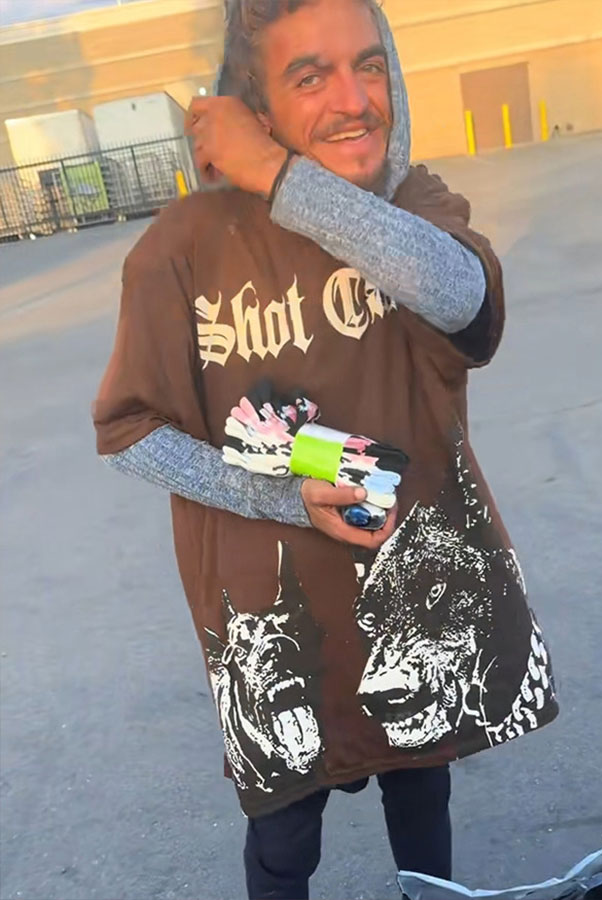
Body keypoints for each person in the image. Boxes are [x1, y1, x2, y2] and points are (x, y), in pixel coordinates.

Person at [93, 1, 559, 897]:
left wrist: (277, 173)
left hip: (413, 608)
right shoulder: (179, 252)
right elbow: (130, 435)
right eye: (310, 76)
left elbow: (460, 297)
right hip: (274, 627)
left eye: (370, 65)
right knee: (282, 848)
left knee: (424, 810)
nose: (355, 99)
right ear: (251, 104)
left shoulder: (413, 206)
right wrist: (281, 494)